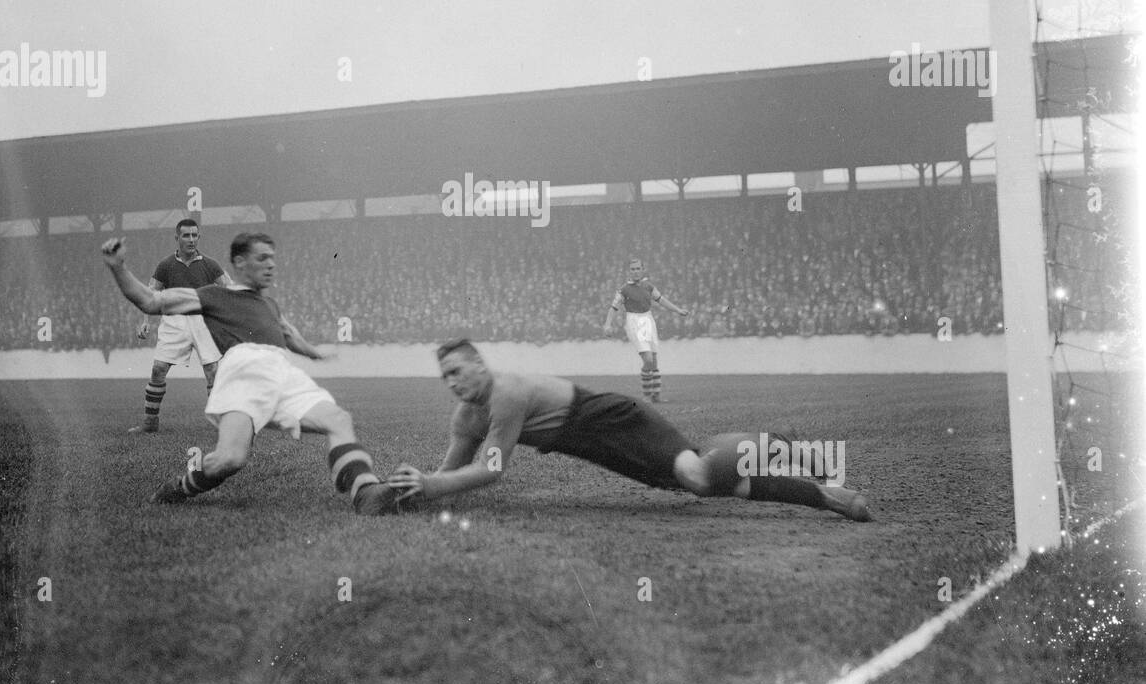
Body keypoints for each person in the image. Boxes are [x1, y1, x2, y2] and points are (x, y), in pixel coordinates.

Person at [387, 339, 870, 521]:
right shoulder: (466, 418)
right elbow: (451, 472)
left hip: (617, 422)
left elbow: (490, 469)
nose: (452, 383)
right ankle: (827, 496)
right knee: (714, 483)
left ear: (478, 364)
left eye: (457, 371)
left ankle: (778, 444)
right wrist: (413, 491)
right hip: (604, 447)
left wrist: (430, 485)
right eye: (444, 376)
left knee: (702, 478)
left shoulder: (507, 393)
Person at [100, 231, 401, 514]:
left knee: (338, 419)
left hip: (282, 371)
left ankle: (366, 493)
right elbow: (151, 301)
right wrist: (118, 267)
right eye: (262, 258)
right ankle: (178, 488)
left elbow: (289, 335)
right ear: (240, 262)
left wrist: (315, 352)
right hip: (242, 371)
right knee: (230, 459)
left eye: (272, 258)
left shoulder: (269, 303)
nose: (270, 264)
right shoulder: (214, 295)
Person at [131, 218, 233, 433]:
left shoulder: (210, 264)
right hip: (174, 320)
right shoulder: (166, 265)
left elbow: (230, 288)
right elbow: (151, 294)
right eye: (186, 235)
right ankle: (150, 423)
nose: (191, 239)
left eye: (194, 235)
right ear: (176, 238)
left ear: (199, 237)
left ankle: (223, 425)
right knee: (158, 369)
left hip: (203, 321)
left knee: (213, 371)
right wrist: (145, 322)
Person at [602, 258, 690, 402]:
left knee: (654, 360)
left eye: (638, 268)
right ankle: (646, 394)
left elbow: (662, 300)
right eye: (633, 269)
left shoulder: (648, 286)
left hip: (648, 320)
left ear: (643, 270)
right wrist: (607, 324)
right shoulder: (624, 289)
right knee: (648, 359)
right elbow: (614, 308)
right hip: (634, 321)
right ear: (628, 271)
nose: (635, 272)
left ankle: (656, 395)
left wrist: (678, 310)